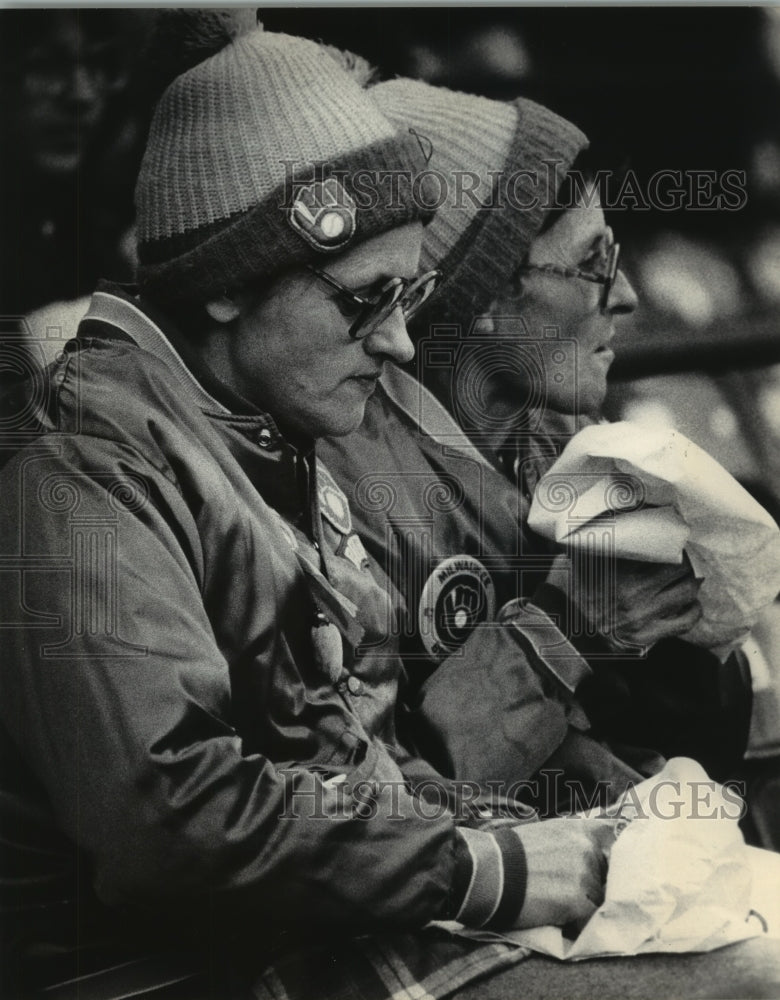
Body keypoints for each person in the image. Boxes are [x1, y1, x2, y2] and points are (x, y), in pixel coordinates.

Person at [2, 14, 779, 1000]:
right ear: (228, 287)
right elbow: (171, 826)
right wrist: (487, 863)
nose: (404, 346)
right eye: (363, 301)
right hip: (161, 974)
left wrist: (523, 826)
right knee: (759, 966)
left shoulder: (269, 434)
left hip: (290, 939)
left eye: (407, 299)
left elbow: (347, 764)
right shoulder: (81, 476)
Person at [321, 76, 750, 796]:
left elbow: (702, 737)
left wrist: (690, 624)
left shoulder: (559, 431)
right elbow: (389, 802)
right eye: (592, 264)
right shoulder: (346, 489)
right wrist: (568, 627)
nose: (626, 295)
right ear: (485, 295)